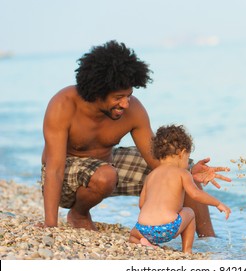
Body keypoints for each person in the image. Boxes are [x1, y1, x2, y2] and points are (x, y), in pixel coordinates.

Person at [40, 40, 231, 236]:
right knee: (105, 175)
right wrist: (50, 224)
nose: (125, 104)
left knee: (181, 173)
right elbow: (54, 168)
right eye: (118, 97)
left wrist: (188, 171)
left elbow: (158, 161)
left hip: (108, 166)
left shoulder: (133, 109)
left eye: (129, 96)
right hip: (66, 176)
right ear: (98, 91)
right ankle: (79, 214)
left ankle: (209, 242)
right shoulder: (63, 105)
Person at [129, 125, 231, 253]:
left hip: (144, 228)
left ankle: (143, 242)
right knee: (189, 212)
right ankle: (187, 250)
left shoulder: (151, 175)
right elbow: (195, 194)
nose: (187, 163)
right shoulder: (183, 173)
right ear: (182, 153)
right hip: (169, 228)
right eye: (188, 158)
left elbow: (142, 204)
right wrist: (218, 203)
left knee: (133, 234)